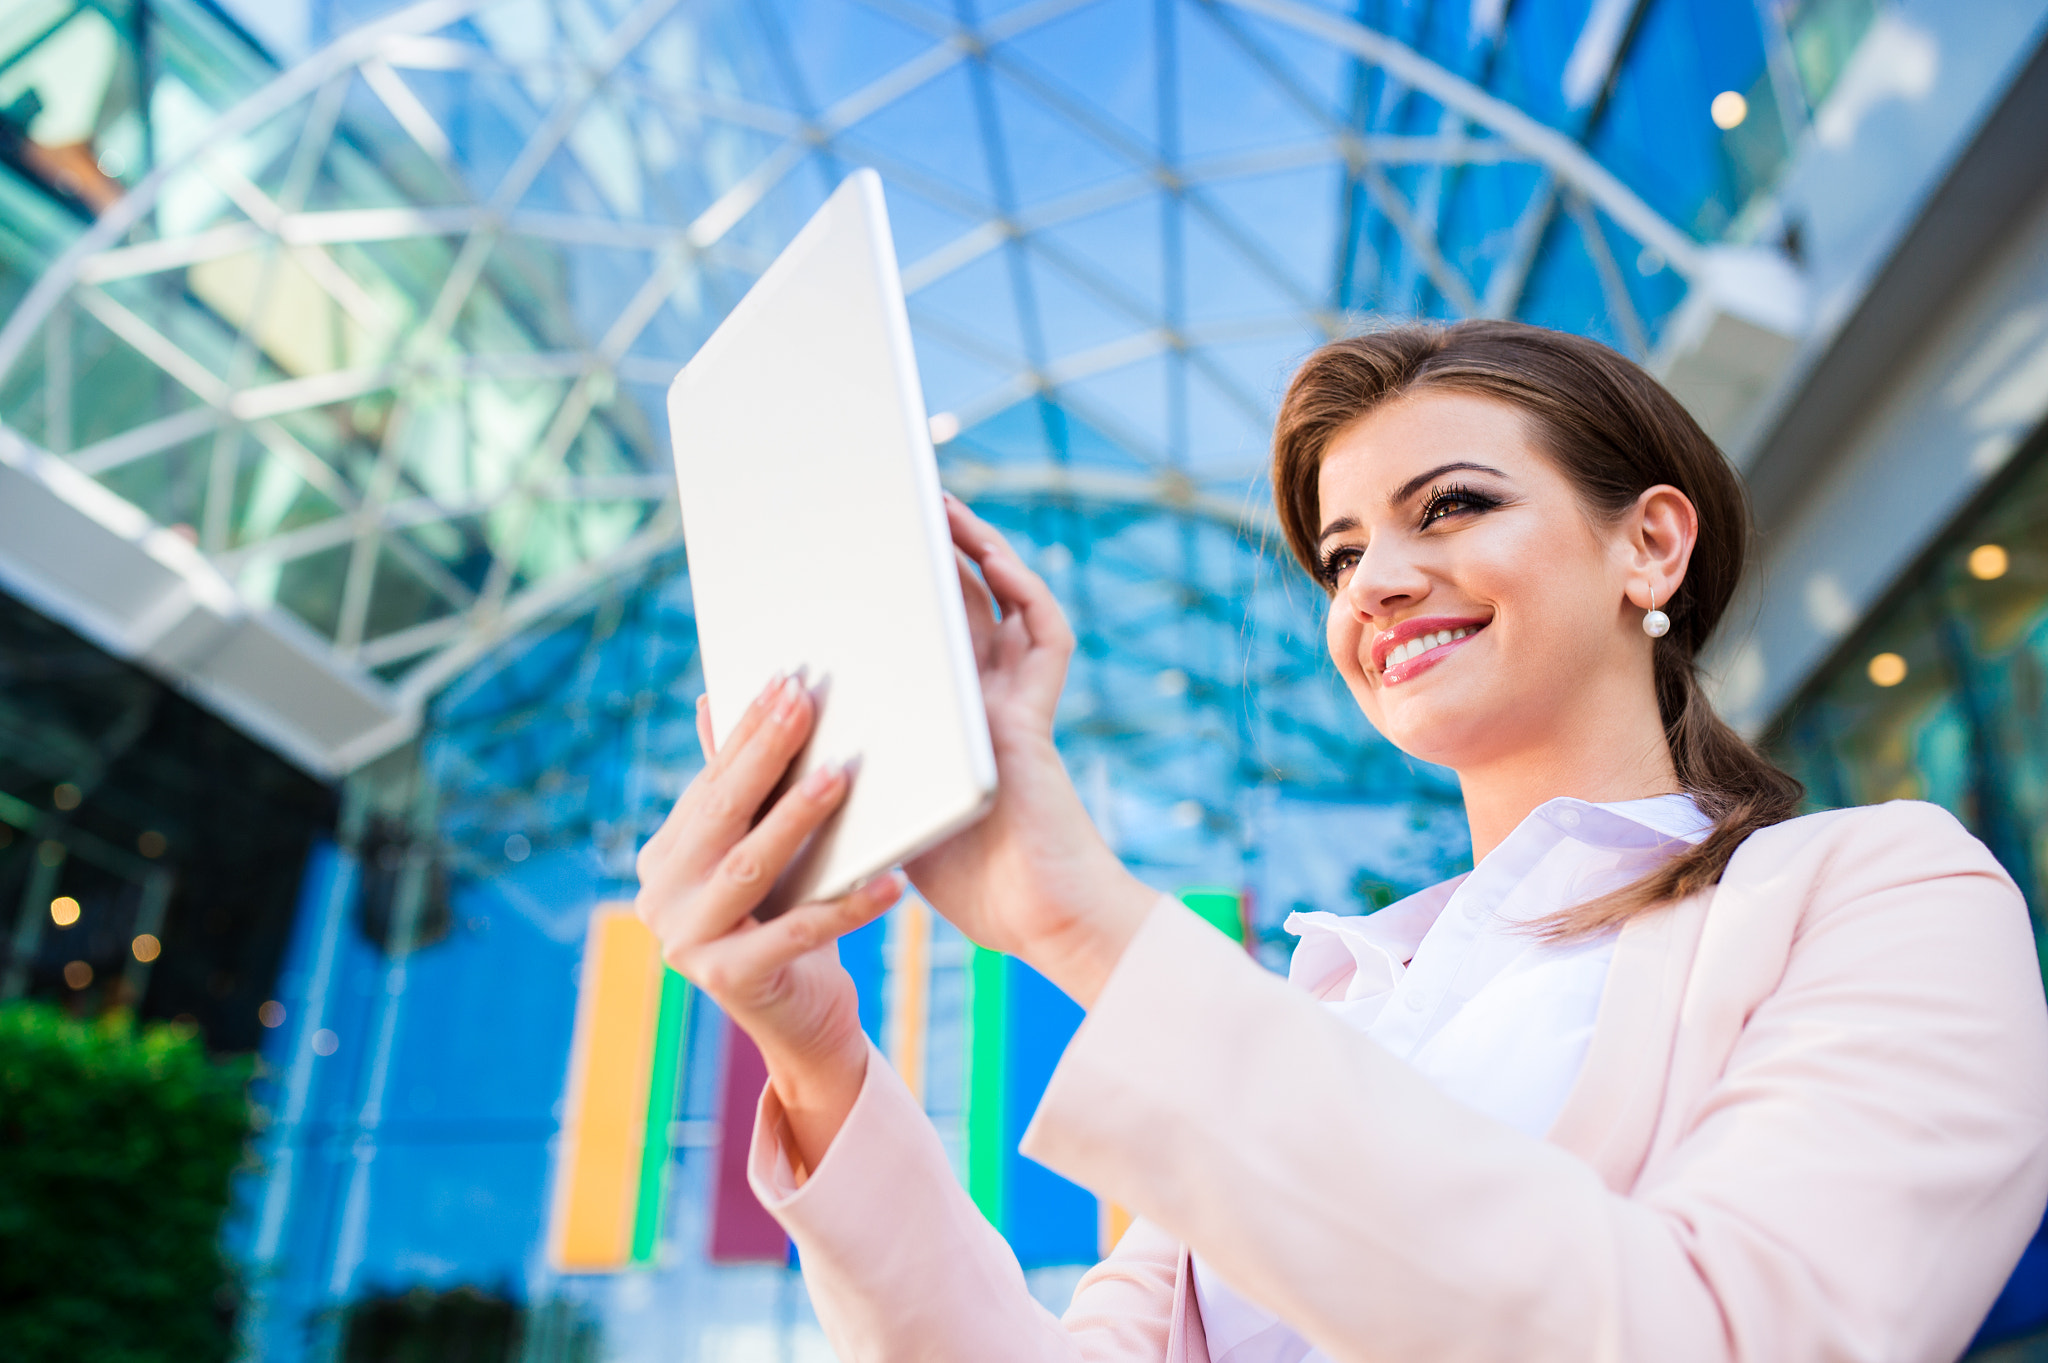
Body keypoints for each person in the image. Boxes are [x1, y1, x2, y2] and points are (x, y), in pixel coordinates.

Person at [634, 320, 2048, 1362]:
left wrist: (1085, 926)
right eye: (1343, 551)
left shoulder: (1878, 895)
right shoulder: (1326, 1007)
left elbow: (1727, 1338)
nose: (1382, 580)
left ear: (1651, 548)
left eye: (1453, 507)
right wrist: (811, 1044)